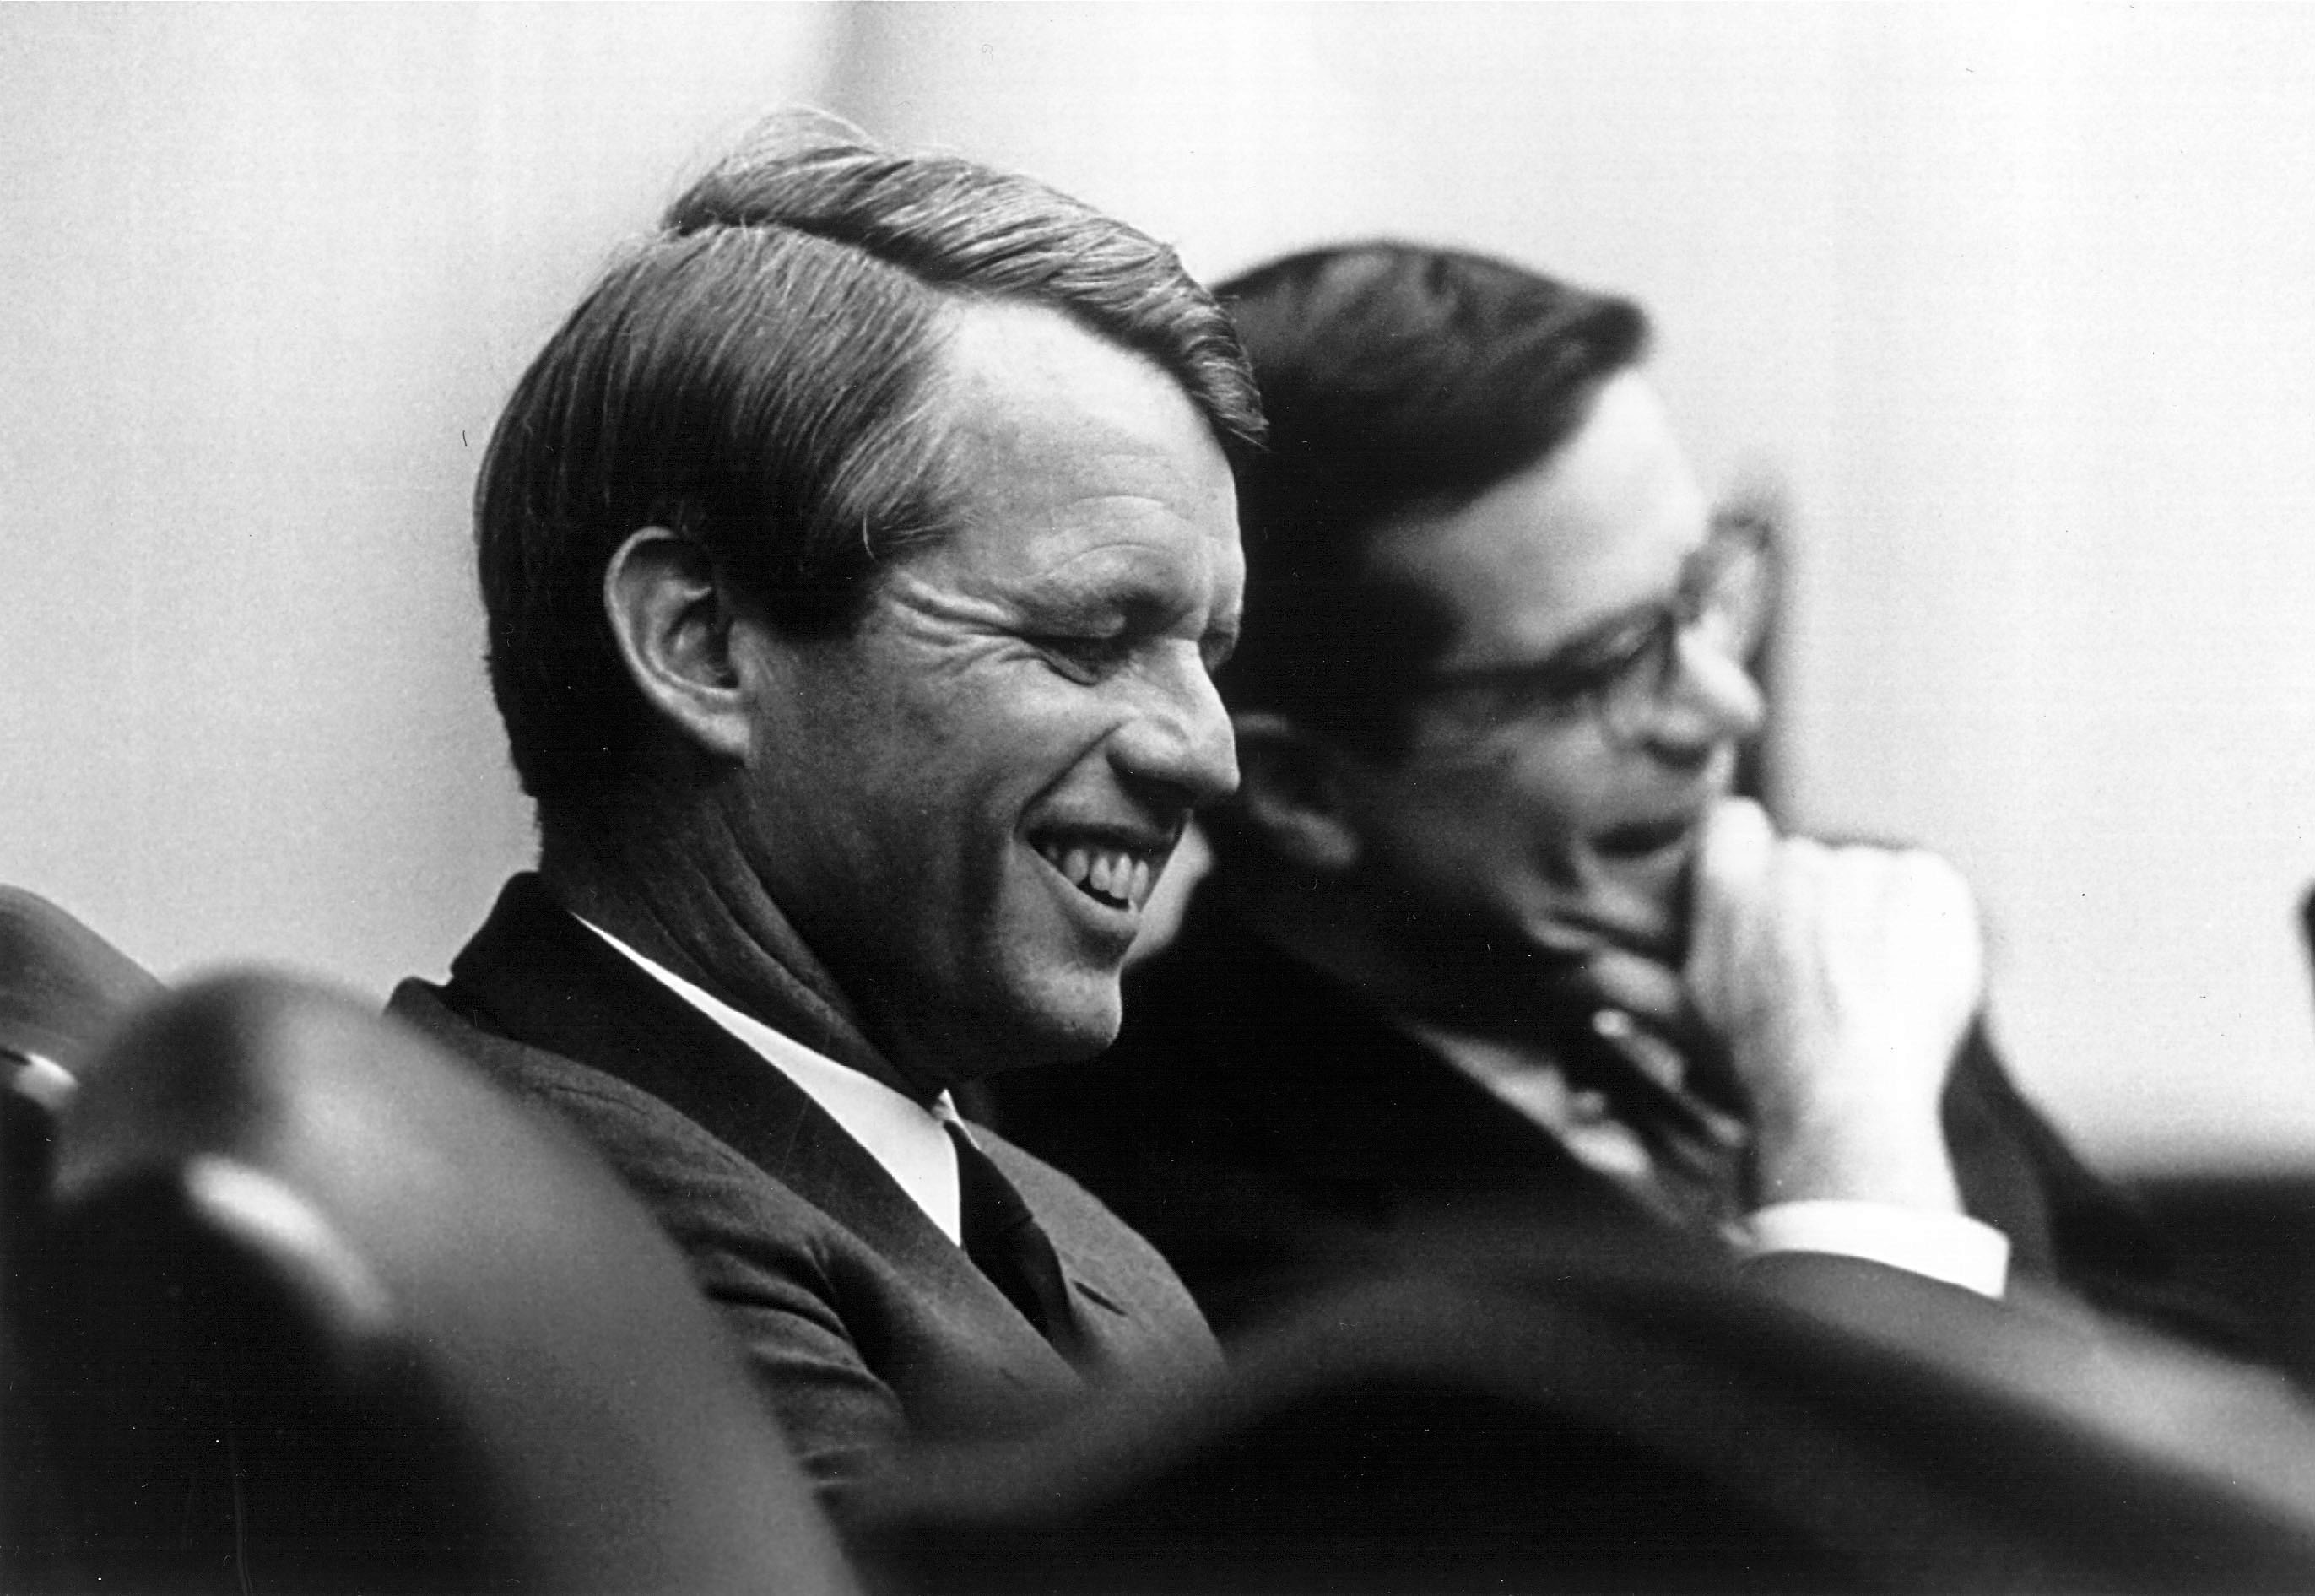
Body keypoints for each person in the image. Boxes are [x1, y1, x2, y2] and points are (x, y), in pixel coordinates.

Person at [982, 242, 2203, 1342]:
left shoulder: (1819, 960)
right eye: (1609, 667)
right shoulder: (1147, 1213)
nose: (1726, 704)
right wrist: (1850, 1138)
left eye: (1703, 593)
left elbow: (2238, 1442)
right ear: (1303, 790)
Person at [387, 114, 1263, 1515]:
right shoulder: (561, 1227)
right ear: (701, 646)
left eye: (1206, 657)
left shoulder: (1079, 1242)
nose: (1207, 755)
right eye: (1090, 638)